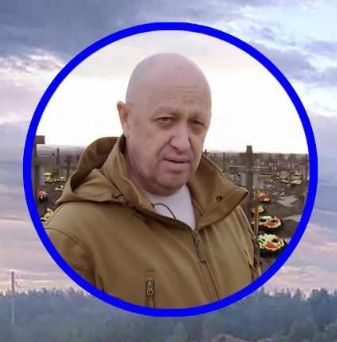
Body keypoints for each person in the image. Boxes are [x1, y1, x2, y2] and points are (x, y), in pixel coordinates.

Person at [45, 53, 259, 308]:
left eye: (196, 124)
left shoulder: (228, 212)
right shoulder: (71, 237)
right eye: (166, 120)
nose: (182, 142)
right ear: (126, 118)